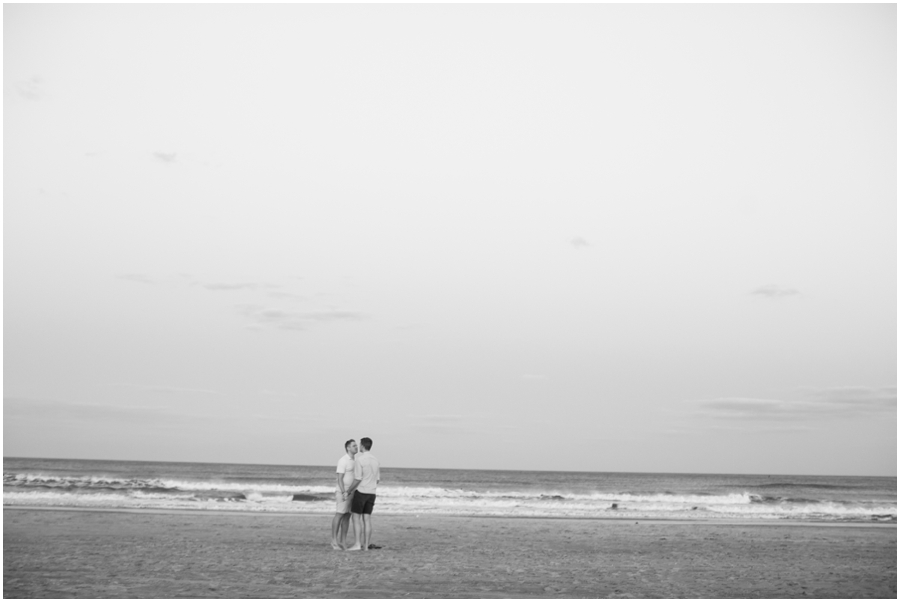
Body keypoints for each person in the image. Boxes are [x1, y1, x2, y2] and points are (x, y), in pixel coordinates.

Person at [344, 437, 380, 551]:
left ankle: (357, 544)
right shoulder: (376, 460)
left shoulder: (360, 460)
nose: (359, 447)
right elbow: (377, 479)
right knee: (367, 519)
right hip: (372, 493)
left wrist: (349, 491)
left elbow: (358, 479)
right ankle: (365, 546)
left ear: (363, 446)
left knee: (356, 518)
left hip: (362, 492)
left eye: (360, 445)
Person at [331, 439, 358, 550]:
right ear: (348, 448)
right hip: (343, 492)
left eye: (356, 445)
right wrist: (343, 492)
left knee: (347, 516)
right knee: (339, 514)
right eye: (354, 446)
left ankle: (343, 541)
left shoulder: (355, 460)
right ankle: (334, 541)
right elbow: (340, 479)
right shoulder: (343, 460)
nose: (356, 447)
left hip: (352, 492)